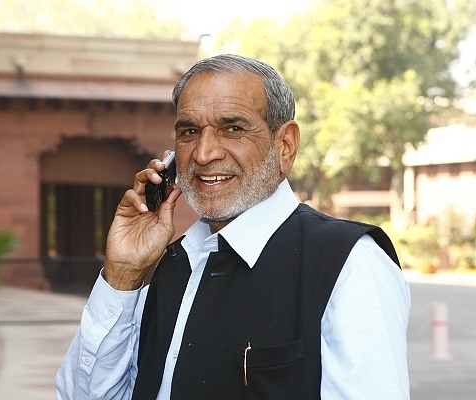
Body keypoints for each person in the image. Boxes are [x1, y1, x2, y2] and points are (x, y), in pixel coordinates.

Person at [56, 54, 410, 399]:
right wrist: (123, 277)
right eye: (190, 132)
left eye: (233, 129)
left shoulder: (348, 262)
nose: (204, 153)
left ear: (284, 146)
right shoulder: (177, 265)